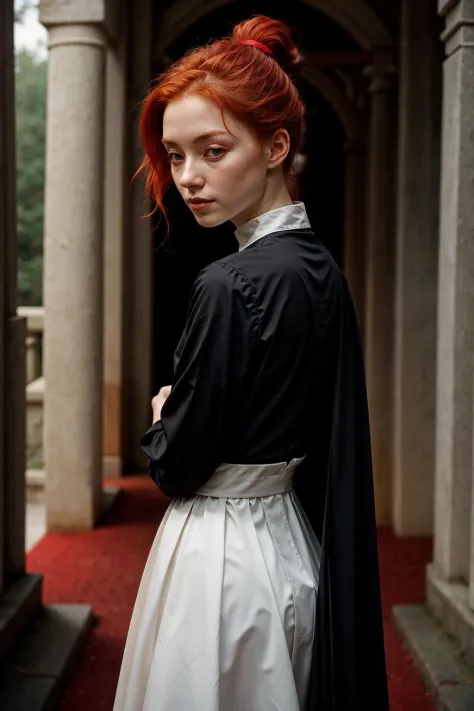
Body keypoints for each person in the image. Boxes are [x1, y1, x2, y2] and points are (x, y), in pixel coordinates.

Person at [113, 15, 389, 711]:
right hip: (293, 548)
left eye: (211, 151)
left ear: (276, 146)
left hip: (222, 559)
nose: (187, 178)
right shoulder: (319, 267)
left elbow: (177, 465)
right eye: (174, 156)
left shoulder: (228, 284)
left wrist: (163, 414)